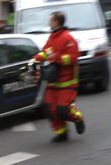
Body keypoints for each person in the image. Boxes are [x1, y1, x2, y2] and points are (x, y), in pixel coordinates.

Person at [31, 11, 85, 142]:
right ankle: (62, 133)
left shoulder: (68, 38)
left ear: (56, 22)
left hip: (67, 82)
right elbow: (45, 52)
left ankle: (78, 119)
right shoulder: (52, 37)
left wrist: (57, 58)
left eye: (50, 20)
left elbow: (73, 58)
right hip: (53, 81)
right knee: (49, 109)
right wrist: (36, 59)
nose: (49, 22)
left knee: (63, 110)